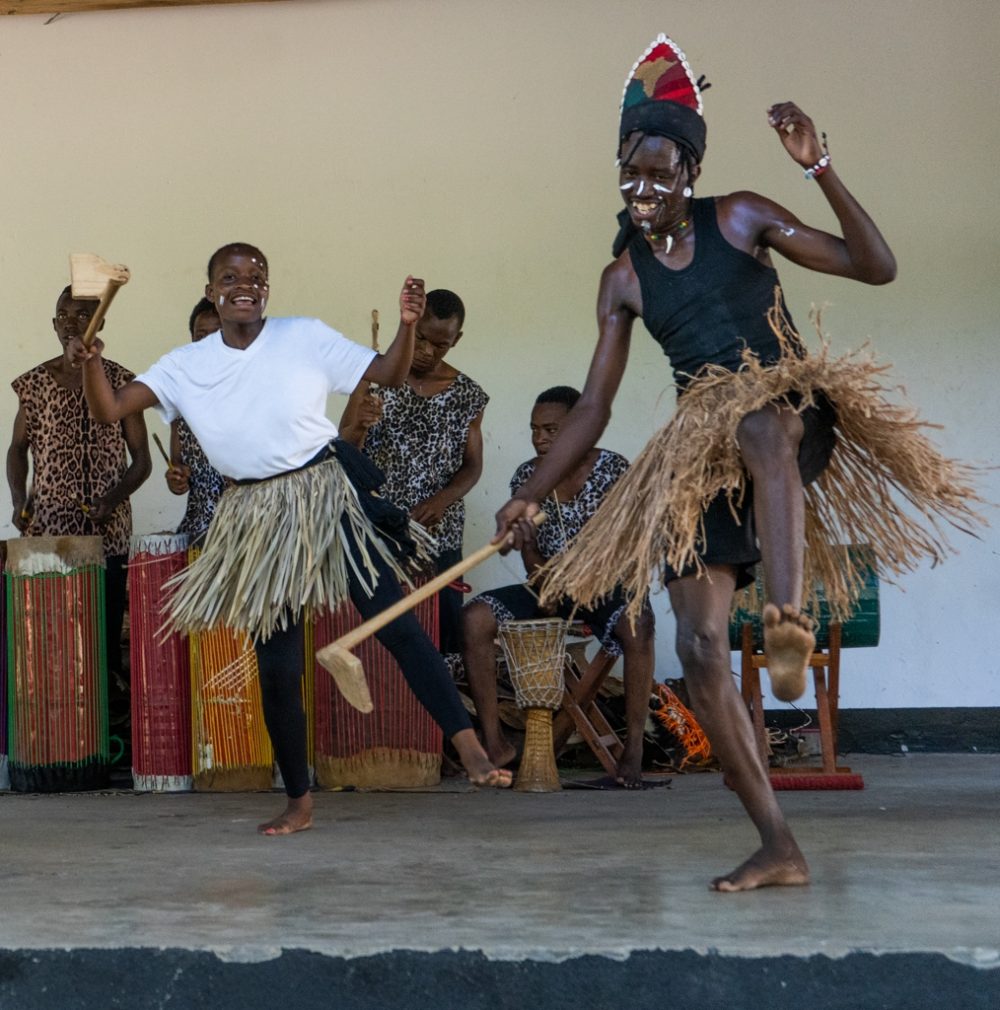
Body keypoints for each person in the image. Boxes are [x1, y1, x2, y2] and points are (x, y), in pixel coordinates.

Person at [495, 34, 978, 891]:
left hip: (788, 411)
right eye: (630, 176)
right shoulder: (623, 280)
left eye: (659, 174)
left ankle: (786, 619)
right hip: (700, 454)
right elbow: (594, 407)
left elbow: (877, 267)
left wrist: (819, 166)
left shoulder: (743, 217)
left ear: (690, 171)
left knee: (759, 426)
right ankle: (777, 843)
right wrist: (528, 495)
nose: (644, 191)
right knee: (701, 644)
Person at [72, 242, 511, 837]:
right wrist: (91, 362)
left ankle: (471, 746)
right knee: (277, 667)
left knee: (397, 623)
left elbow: (388, 372)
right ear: (210, 290)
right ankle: (299, 802)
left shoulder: (303, 335)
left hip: (324, 494)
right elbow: (110, 410)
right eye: (230, 276)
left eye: (256, 275)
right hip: (255, 516)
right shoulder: (185, 364)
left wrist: (407, 326)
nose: (245, 284)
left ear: (267, 288)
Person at [463, 385, 654, 787]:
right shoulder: (527, 478)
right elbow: (531, 556)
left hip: (605, 587)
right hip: (549, 586)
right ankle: (496, 744)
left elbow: (629, 547)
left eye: (551, 429)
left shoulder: (613, 471)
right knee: (475, 619)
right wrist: (542, 576)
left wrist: (585, 580)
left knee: (639, 623)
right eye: (535, 429)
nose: (540, 438)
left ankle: (634, 749)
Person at [7, 284, 152, 726]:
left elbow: (142, 461)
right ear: (54, 324)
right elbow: (16, 450)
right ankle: (55, 733)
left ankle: (99, 734)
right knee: (50, 640)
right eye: (63, 315)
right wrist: (19, 499)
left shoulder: (122, 382)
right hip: (49, 535)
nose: (71, 323)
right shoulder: (33, 384)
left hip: (107, 535)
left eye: (83, 315)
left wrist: (113, 499)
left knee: (102, 638)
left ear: (100, 323)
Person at [340, 289, 487, 657]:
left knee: (442, 627)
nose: (426, 351)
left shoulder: (468, 395)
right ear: (410, 326)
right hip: (379, 527)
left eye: (440, 345)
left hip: (438, 531)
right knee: (381, 634)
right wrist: (359, 425)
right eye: (420, 338)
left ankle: (443, 691)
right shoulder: (374, 377)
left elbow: (472, 466)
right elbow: (344, 449)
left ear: (456, 340)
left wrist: (443, 499)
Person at [163, 298, 225, 542]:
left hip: (247, 525)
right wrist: (176, 479)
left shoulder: (251, 389)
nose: (208, 344)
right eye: (201, 336)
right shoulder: (181, 397)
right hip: (200, 527)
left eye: (217, 334)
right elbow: (177, 466)